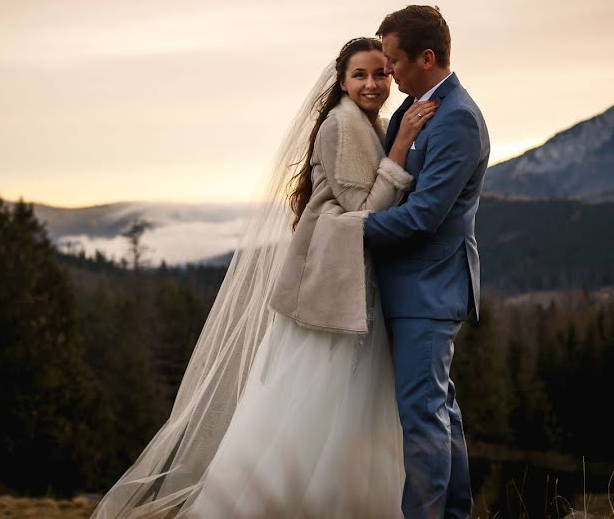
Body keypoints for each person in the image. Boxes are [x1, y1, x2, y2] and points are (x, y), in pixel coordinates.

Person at [89, 36, 437, 519]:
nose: (373, 83)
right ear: (341, 82)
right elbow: (365, 210)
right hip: (333, 287)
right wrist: (400, 148)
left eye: (381, 73)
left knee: (327, 403)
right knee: (315, 401)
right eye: (360, 74)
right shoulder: (345, 125)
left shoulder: (365, 124)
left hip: (345, 283)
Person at [363, 5, 490, 519]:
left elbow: (422, 217)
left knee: (422, 420)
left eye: (393, 60)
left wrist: (346, 230)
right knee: (440, 414)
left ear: (427, 57)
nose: (387, 70)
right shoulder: (419, 107)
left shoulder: (457, 118)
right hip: (413, 288)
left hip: (429, 291)